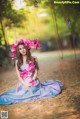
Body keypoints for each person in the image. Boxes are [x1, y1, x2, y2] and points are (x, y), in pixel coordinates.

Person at [0, 39, 63, 105]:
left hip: (34, 82)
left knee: (32, 90)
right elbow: (19, 76)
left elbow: (36, 72)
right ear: (18, 51)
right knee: (21, 93)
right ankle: (24, 88)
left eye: (24, 48)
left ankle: (34, 88)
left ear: (27, 48)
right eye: (20, 49)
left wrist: (31, 82)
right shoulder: (17, 61)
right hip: (24, 83)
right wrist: (25, 84)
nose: (22, 50)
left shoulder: (34, 58)